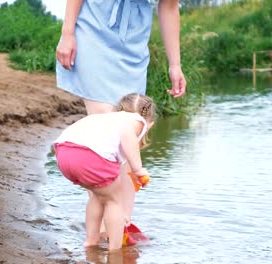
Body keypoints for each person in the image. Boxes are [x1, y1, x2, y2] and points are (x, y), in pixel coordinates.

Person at [55, 0, 187, 232]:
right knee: (110, 132)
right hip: (94, 27)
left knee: (128, 143)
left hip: (133, 42)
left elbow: (168, 5)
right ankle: (109, 226)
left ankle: (120, 223)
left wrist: (175, 64)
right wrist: (68, 33)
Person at [53, 94, 156, 251]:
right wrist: (138, 169)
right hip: (90, 156)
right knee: (114, 201)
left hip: (63, 152)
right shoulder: (137, 121)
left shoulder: (107, 119)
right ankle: (115, 251)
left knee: (99, 196)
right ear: (149, 122)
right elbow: (128, 136)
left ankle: (91, 241)